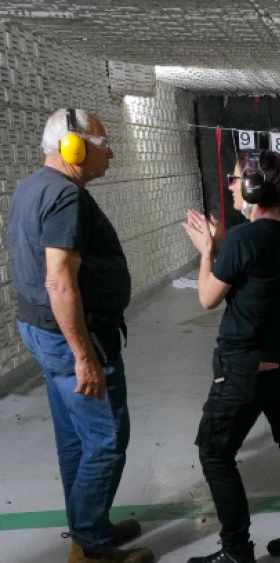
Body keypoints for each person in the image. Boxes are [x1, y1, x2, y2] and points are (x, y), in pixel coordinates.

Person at [8, 109, 153, 563]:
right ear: (74, 147)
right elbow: (59, 282)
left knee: (75, 438)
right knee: (106, 440)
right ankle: (91, 549)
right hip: (72, 336)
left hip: (41, 330)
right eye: (103, 144)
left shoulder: (33, 186)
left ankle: (89, 528)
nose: (111, 153)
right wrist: (85, 357)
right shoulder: (65, 197)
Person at [182, 148, 280, 563]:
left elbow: (207, 297)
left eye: (234, 179)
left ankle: (236, 551)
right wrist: (221, 245)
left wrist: (207, 250)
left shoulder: (243, 238)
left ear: (252, 187)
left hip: (244, 366)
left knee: (215, 454)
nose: (230, 186)